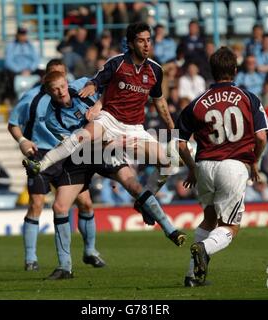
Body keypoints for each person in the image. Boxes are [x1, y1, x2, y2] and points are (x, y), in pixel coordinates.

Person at [23, 22, 186, 247]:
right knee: (83, 136)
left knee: (167, 163)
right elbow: (97, 80)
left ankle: (143, 203)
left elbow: (159, 102)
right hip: (109, 120)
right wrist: (93, 90)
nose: (147, 44)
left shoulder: (155, 70)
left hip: (135, 128)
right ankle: (41, 164)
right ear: (130, 43)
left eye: (149, 40)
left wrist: (171, 127)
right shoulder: (117, 63)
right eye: (141, 40)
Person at [176, 47, 268, 287]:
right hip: (234, 165)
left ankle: (191, 276)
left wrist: (191, 168)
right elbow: (261, 138)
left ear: (212, 71)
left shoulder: (197, 102)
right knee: (231, 226)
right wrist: (254, 161)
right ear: (235, 70)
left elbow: (180, 144)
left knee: (209, 219)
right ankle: (205, 249)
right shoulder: (249, 98)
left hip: (205, 166)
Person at [8, 59, 105, 272]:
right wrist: (23, 141)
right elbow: (13, 124)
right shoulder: (31, 98)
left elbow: (104, 83)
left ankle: (90, 251)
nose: (59, 87)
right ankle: (31, 258)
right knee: (36, 203)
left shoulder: (76, 91)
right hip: (41, 154)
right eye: (53, 78)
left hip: (68, 154)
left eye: (61, 77)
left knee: (85, 203)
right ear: (46, 79)